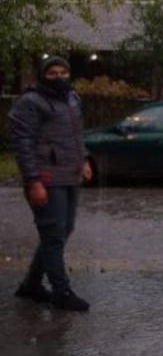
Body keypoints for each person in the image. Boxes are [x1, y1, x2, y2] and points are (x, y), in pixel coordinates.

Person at [9, 55, 92, 312]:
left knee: (63, 230)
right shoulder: (30, 102)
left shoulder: (72, 99)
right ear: (42, 75)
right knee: (53, 235)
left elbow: (77, 135)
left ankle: (31, 285)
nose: (59, 76)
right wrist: (33, 181)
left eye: (63, 72)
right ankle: (61, 292)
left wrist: (85, 159)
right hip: (46, 178)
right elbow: (22, 144)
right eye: (52, 72)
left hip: (70, 174)